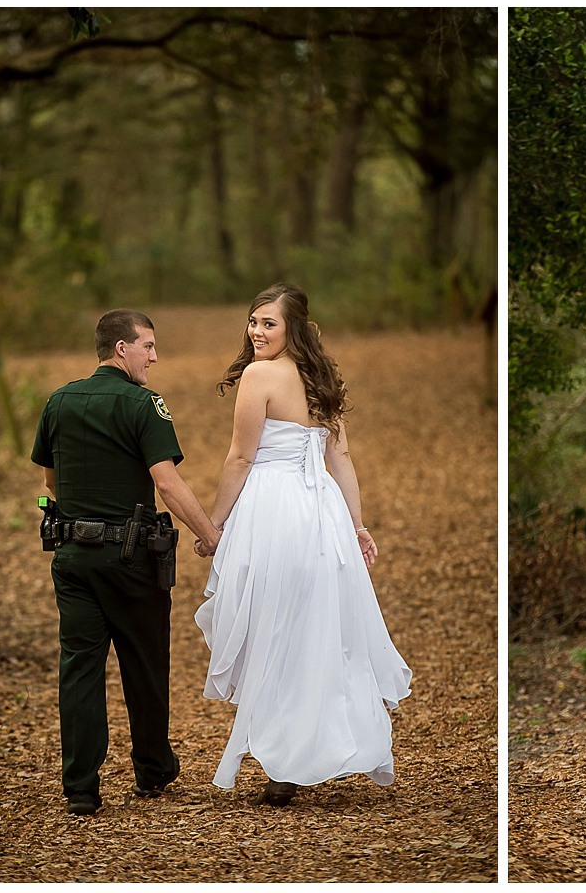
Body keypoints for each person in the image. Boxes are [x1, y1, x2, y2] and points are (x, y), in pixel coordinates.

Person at [194, 282, 412, 807]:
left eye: (269, 323)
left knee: (276, 629)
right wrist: (354, 524)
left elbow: (241, 459)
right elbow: (340, 460)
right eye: (253, 322)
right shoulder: (319, 377)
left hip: (275, 511)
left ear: (293, 327)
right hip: (321, 516)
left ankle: (287, 761)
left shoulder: (259, 375)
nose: (256, 331)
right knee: (314, 631)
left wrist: (213, 526)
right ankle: (306, 751)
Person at [31, 309, 223, 817]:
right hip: (130, 557)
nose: (154, 357)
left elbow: (51, 483)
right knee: (144, 661)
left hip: (71, 557)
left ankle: (81, 788)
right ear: (121, 348)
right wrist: (211, 536)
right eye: (148, 346)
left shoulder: (58, 401)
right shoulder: (144, 404)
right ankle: (153, 769)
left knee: (79, 668)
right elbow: (166, 482)